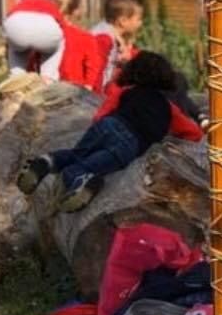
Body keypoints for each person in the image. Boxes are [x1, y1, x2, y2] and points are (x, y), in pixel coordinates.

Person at [16, 51, 203, 212]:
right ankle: (81, 179)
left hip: (108, 125)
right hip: (131, 143)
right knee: (88, 166)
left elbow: (101, 115)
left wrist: (98, 130)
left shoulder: (126, 91)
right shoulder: (169, 108)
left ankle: (46, 161)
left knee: (77, 154)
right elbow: (194, 133)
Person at [1, 0, 106, 91]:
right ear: (76, 11)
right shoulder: (86, 38)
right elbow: (94, 69)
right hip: (74, 94)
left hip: (40, 94)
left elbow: (28, 64)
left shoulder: (39, 31)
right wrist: (88, 89)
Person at [91, 0, 145, 91]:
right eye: (138, 19)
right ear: (123, 21)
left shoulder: (113, 36)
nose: (140, 23)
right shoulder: (104, 39)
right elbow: (97, 73)